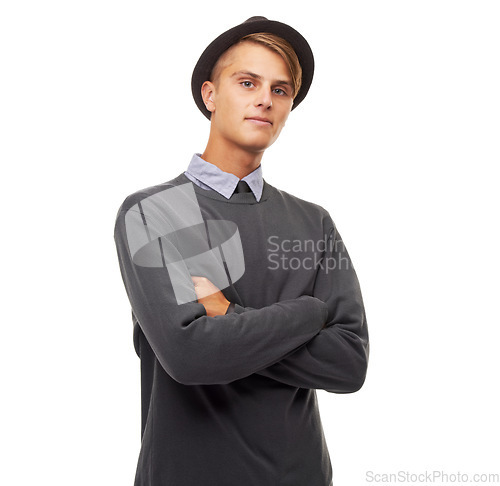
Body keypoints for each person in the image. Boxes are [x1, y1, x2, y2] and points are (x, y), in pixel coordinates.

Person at [114, 16, 369, 486]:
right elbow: (191, 356)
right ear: (210, 95)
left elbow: (349, 362)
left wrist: (229, 312)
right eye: (248, 82)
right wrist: (310, 313)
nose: (264, 100)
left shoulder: (314, 223)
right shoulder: (156, 212)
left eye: (280, 90)